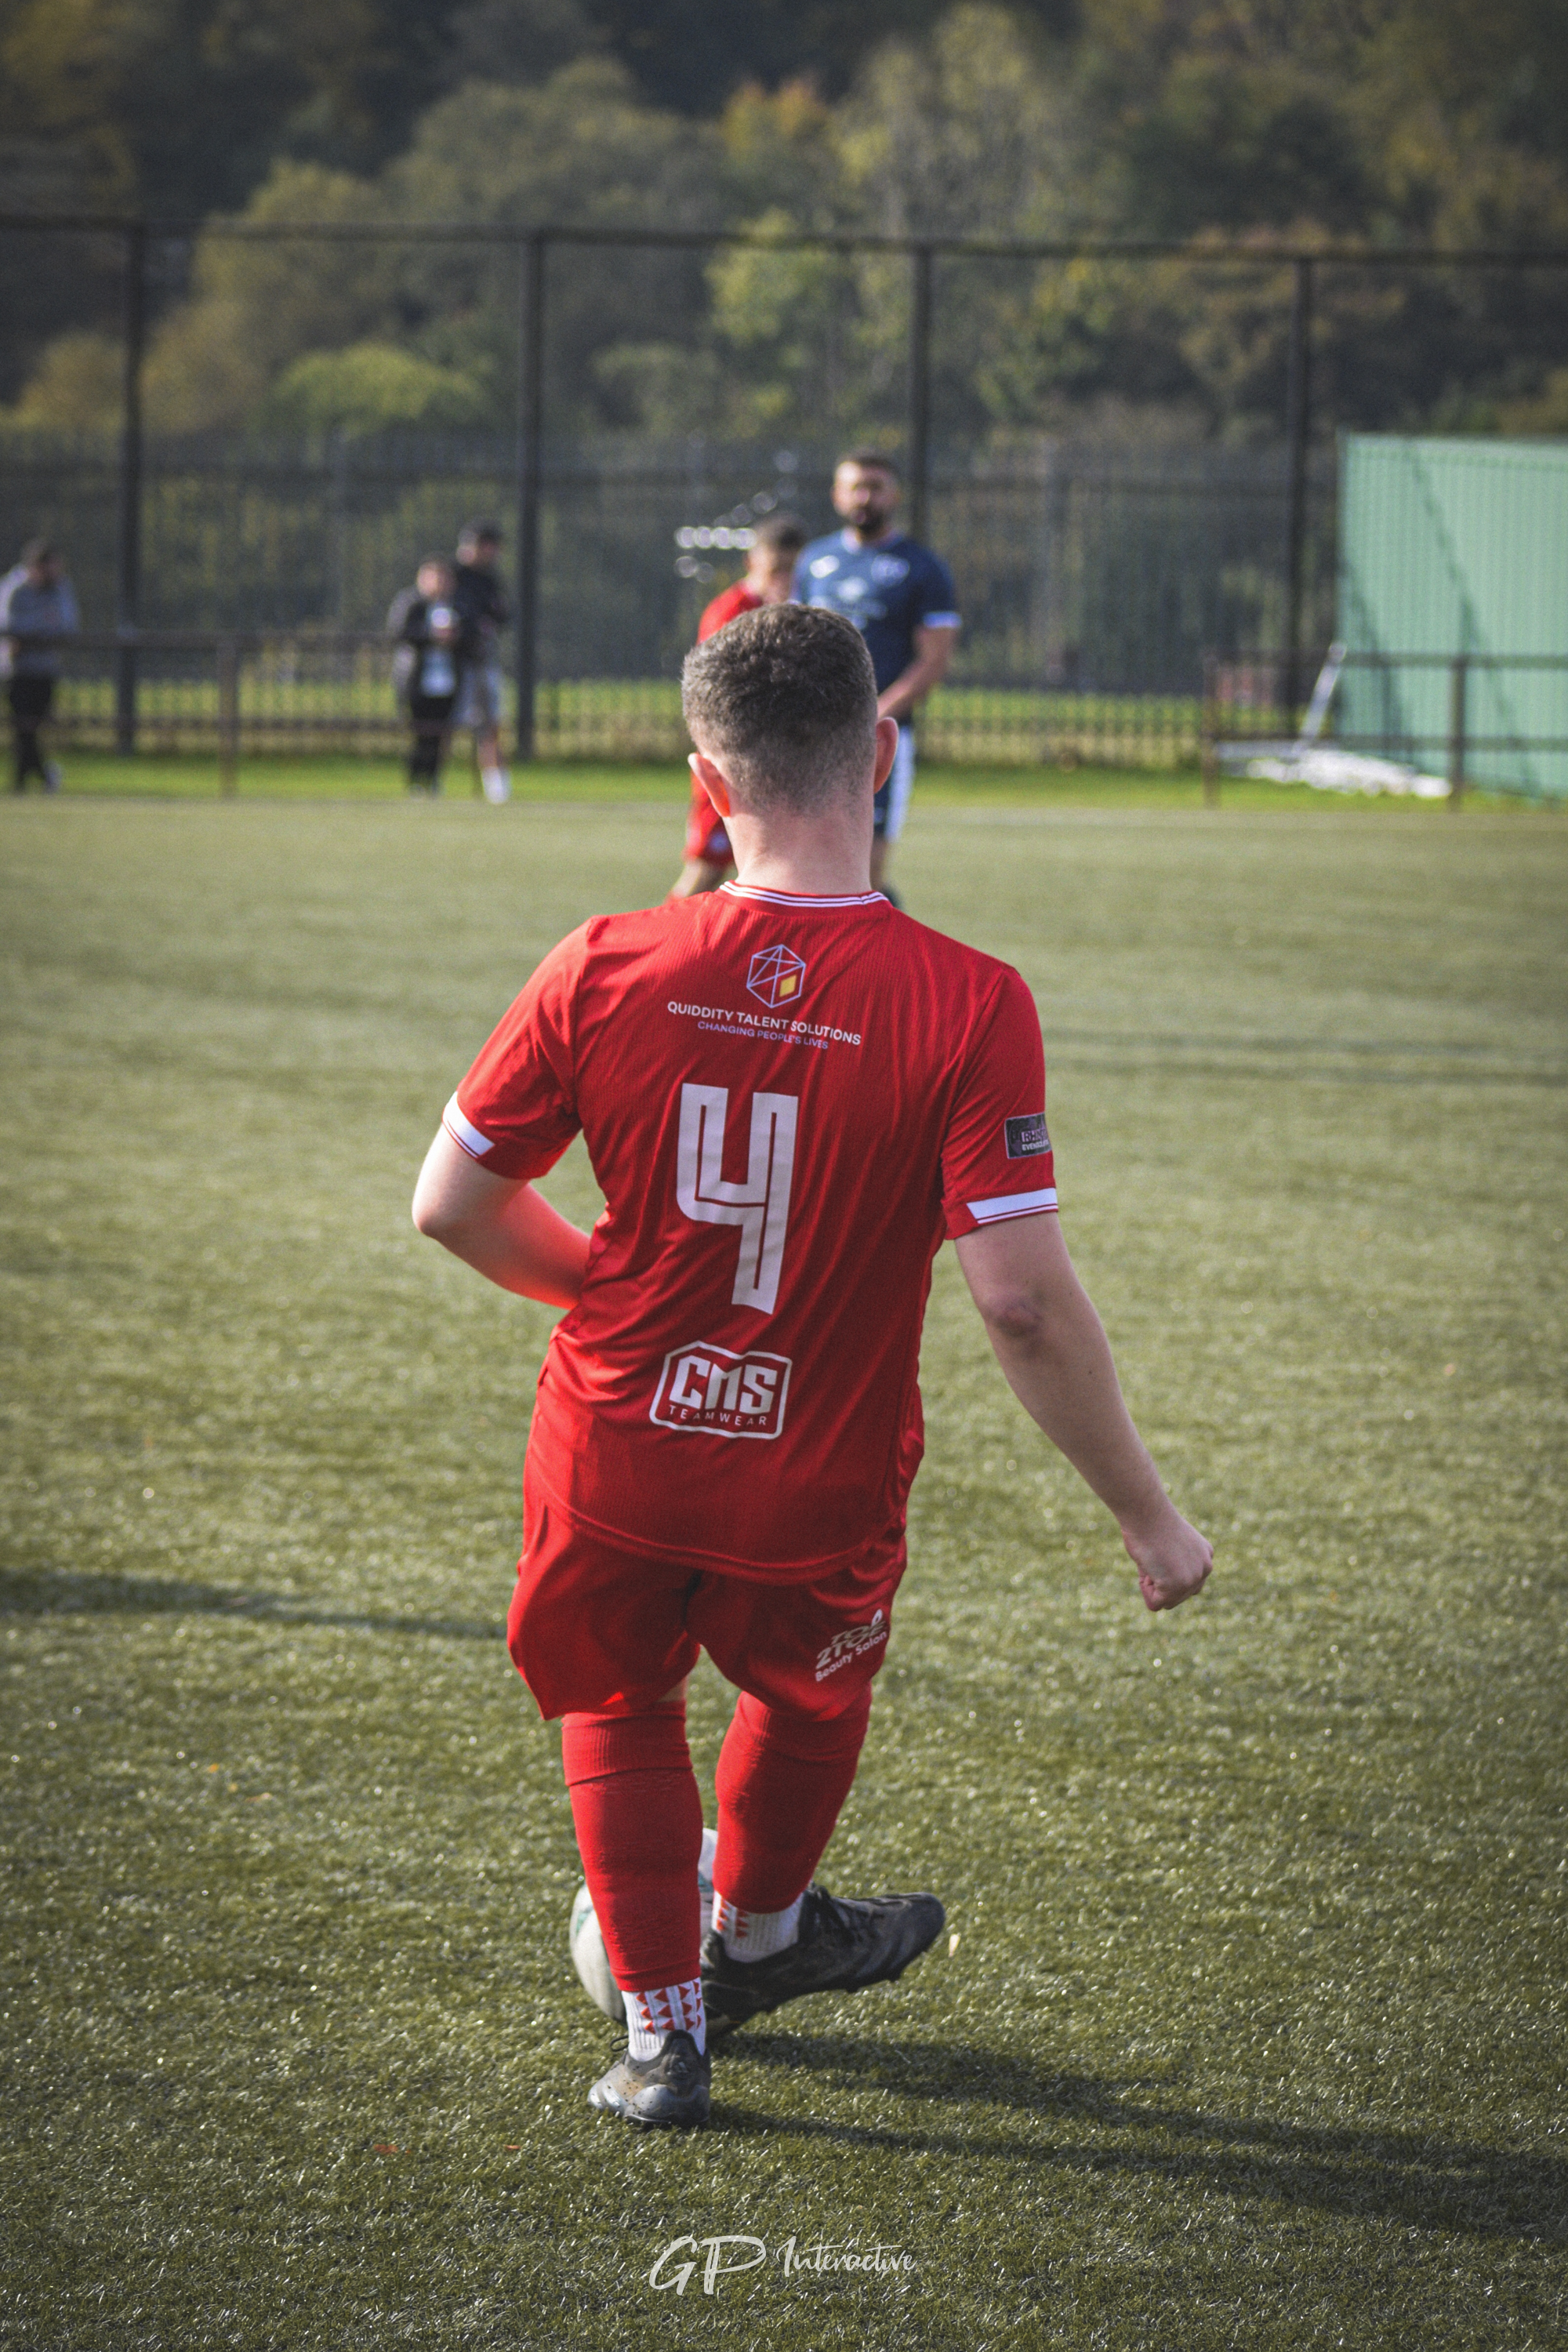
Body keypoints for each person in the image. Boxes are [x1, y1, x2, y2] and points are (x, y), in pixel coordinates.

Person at [411, 604, 1212, 2132]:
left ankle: (662, 2044)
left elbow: (449, 1206)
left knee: (618, 1700)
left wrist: (620, 1297)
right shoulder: (971, 1000)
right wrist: (1147, 1518)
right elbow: (1020, 1304)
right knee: (810, 1684)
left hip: (617, 1439)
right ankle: (766, 1934)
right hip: (817, 1469)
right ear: (882, 748)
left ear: (708, 783)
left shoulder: (605, 961)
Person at [795, 450, 960, 902]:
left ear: (894, 495)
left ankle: (882, 958)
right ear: (836, 495)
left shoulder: (922, 568)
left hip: (880, 737)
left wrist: (871, 717)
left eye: (876, 487)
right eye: (855, 486)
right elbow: (794, 647)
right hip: (815, 736)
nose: (865, 497)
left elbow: (933, 661)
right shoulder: (814, 561)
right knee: (801, 864)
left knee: (862, 875)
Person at [669, 513, 808, 900]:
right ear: (753, 562)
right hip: (730, 761)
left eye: (792, 570)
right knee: (705, 872)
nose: (785, 579)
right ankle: (664, 948)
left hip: (776, 762)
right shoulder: (730, 612)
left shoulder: (796, 611)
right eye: (777, 568)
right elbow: (720, 690)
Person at [0, 541, 79, 793]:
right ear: (36, 567)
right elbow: (9, 625)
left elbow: (66, 626)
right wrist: (42, 627)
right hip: (17, 670)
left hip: (46, 669)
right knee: (24, 726)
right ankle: (36, 779)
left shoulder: (61, 588)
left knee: (32, 727)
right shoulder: (16, 588)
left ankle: (32, 780)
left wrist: (31, 634)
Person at [387, 557, 463, 795]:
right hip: (416, 680)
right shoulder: (411, 603)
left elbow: (471, 636)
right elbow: (399, 633)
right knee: (419, 732)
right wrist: (432, 637)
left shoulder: (457, 605)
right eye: (435, 577)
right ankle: (415, 781)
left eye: (445, 578)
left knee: (441, 734)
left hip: (448, 680)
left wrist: (456, 637)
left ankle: (433, 781)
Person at [452, 521, 511, 805]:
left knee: (490, 723)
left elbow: (501, 615)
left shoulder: (489, 580)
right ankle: (429, 783)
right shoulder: (454, 576)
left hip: (481, 659)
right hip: (452, 663)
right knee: (443, 723)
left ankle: (497, 788)